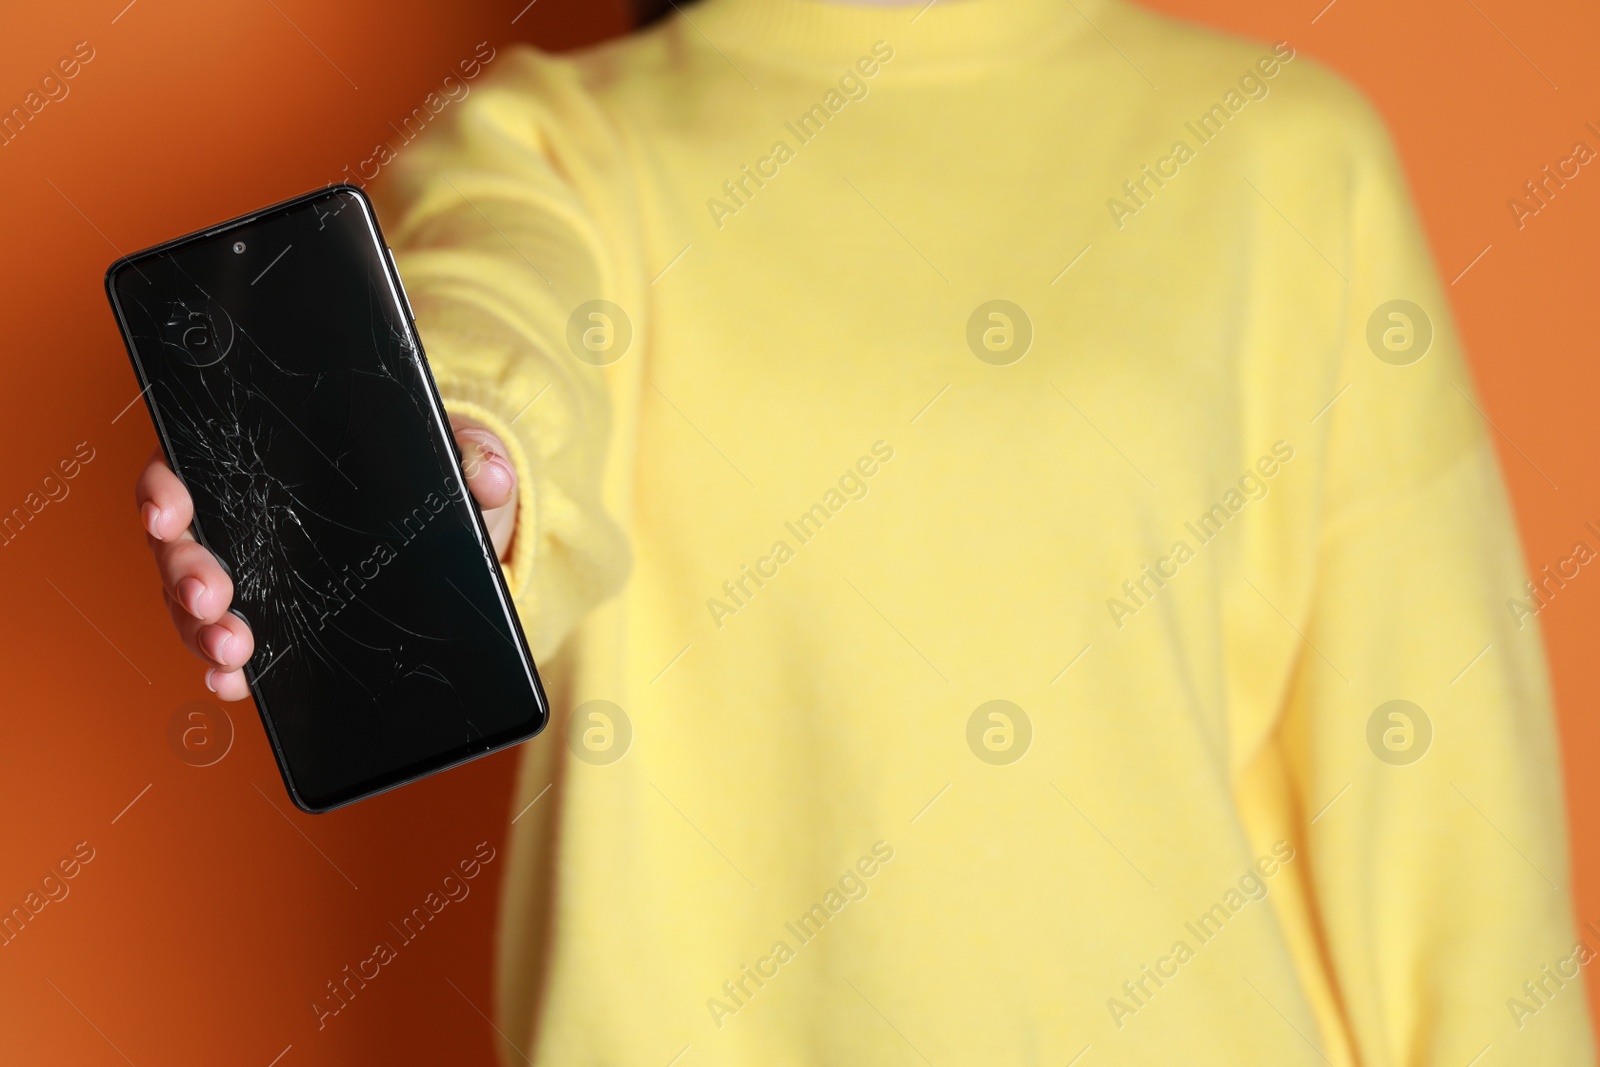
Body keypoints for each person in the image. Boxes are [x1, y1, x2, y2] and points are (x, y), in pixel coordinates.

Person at [133, 0, 1596, 1061]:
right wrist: (461, 469)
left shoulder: (1283, 154)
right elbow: (498, 316)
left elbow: (1446, 811)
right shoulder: (558, 141)